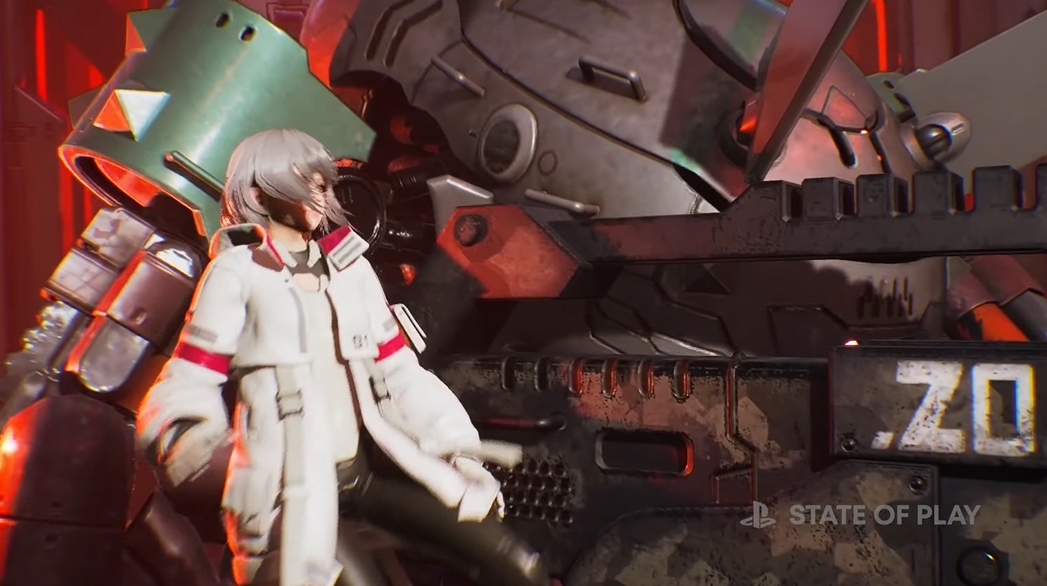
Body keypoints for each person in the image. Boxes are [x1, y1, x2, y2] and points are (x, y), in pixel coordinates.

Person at [135, 128, 547, 586]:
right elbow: (187, 382)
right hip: (287, 495)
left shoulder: (351, 270)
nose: (318, 196)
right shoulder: (237, 275)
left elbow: (400, 374)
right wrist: (204, 455)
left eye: (320, 184)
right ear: (258, 193)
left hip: (364, 476)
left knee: (517, 564)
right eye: (301, 183)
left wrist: (456, 448)